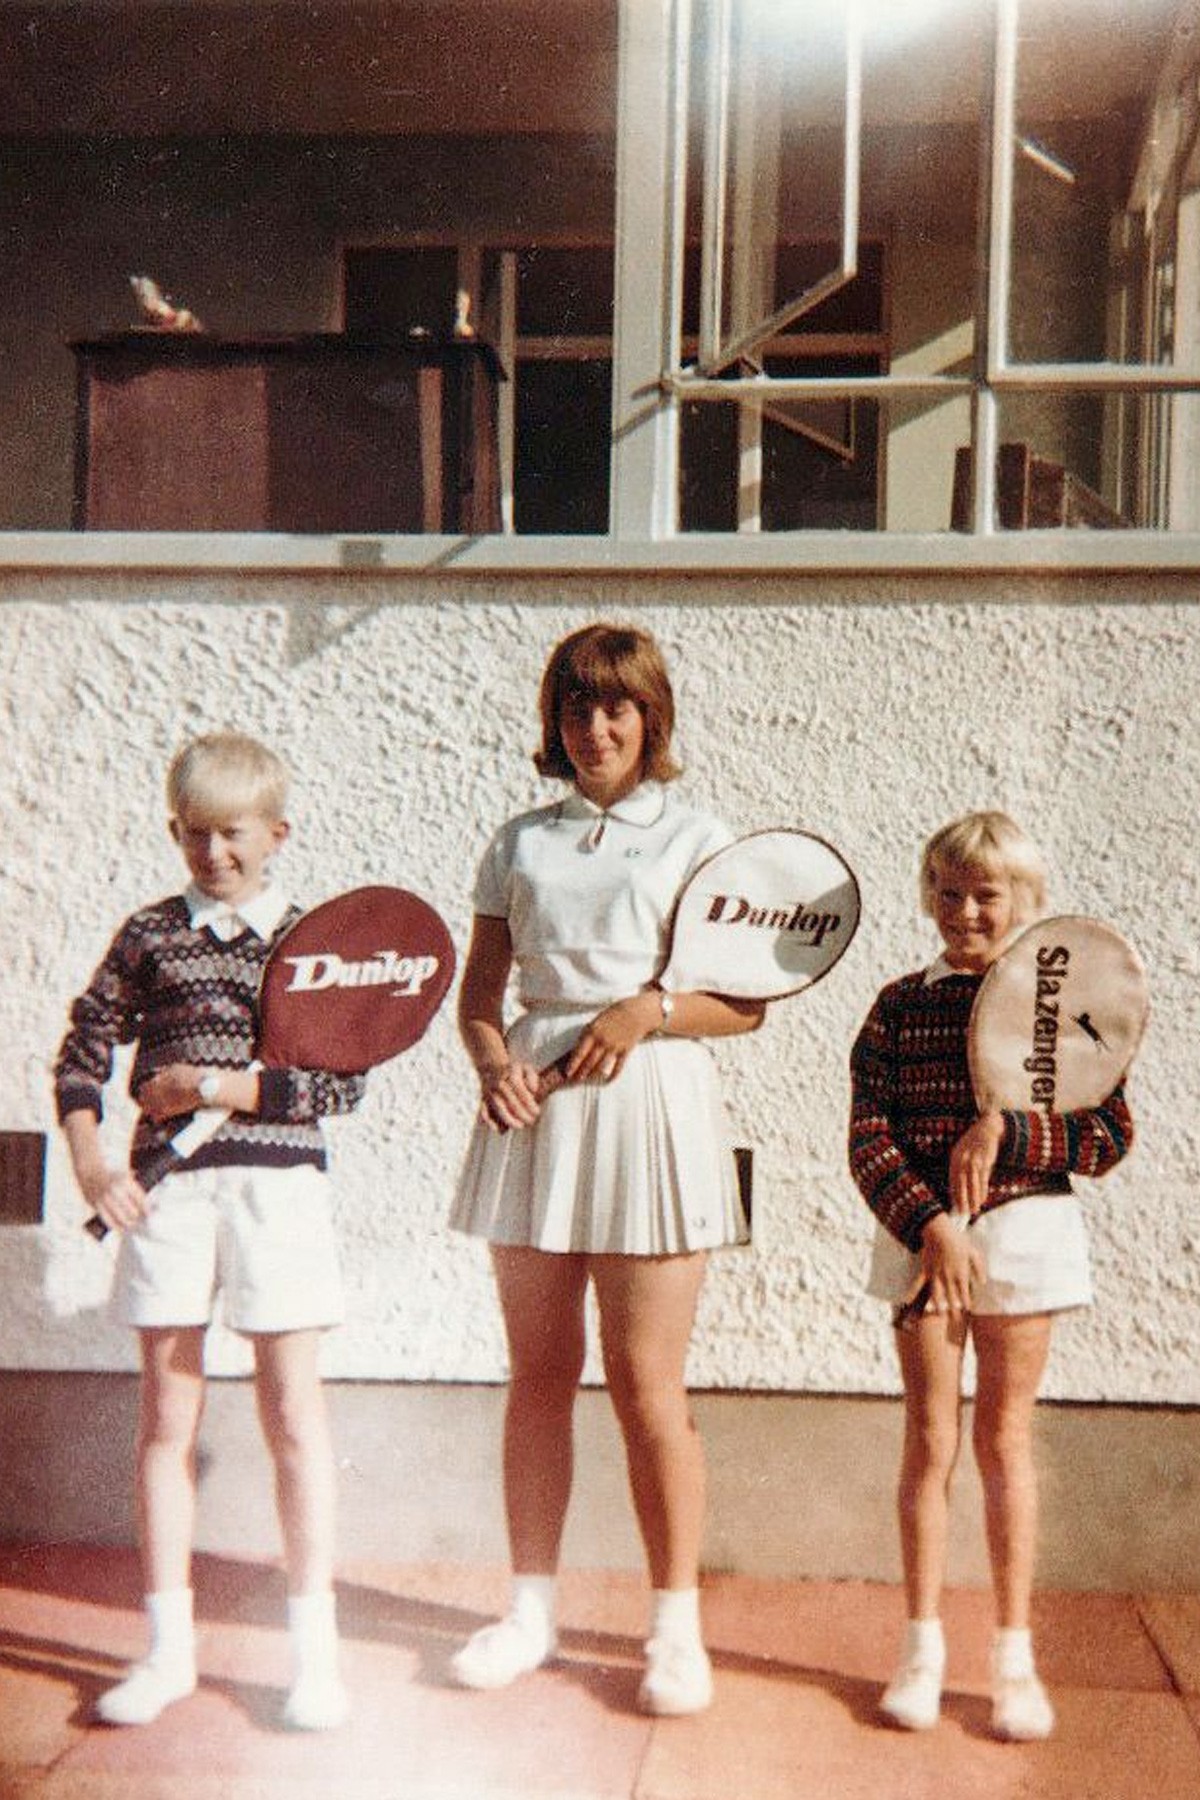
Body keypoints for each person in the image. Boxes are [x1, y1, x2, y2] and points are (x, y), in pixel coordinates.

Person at [448, 622, 763, 1716]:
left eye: (617, 708)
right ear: (556, 722)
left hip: (652, 1108)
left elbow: (748, 1002)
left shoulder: (698, 835)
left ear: (651, 719)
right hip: (534, 1111)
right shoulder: (519, 840)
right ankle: (528, 1610)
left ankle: (674, 1630)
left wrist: (649, 1009)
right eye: (577, 709)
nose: (596, 728)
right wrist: (493, 1067)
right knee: (536, 1374)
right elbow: (479, 1003)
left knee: (646, 1385)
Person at [54, 732, 365, 1731]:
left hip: (280, 1192)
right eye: (194, 835)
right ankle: (167, 1652)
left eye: (232, 834)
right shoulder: (148, 934)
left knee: (292, 1418)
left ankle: (314, 1660)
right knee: (167, 1421)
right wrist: (95, 1163)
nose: (214, 855)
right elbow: (83, 1053)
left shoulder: (313, 939)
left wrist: (216, 1086)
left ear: (276, 831)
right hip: (171, 1196)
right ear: (175, 833)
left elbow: (343, 1083)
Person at [848, 811, 1134, 1742]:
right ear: (930, 894)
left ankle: (1014, 1660)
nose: (966, 911)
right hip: (927, 1248)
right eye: (950, 891)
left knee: (1004, 1443)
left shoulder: (1063, 1008)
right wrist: (929, 1223)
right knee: (929, 1441)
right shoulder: (899, 1004)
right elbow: (868, 1137)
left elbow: (1105, 1135)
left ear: (1025, 904)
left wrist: (1007, 1128)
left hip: (1026, 1238)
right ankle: (920, 1650)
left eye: (987, 895)